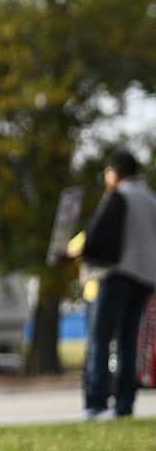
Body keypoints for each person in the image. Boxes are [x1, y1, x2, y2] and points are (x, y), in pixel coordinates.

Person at [79, 150, 156, 419]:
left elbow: (96, 237)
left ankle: (96, 402)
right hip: (146, 279)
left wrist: (79, 255)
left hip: (118, 274)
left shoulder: (119, 196)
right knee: (128, 342)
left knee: (100, 338)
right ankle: (124, 405)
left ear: (114, 172)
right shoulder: (150, 198)